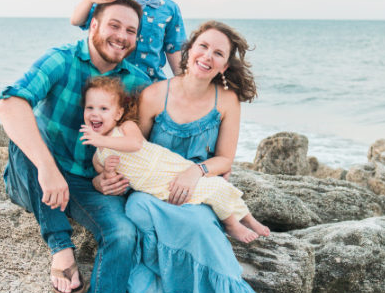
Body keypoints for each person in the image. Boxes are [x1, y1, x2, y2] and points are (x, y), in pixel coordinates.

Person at [0, 0, 149, 293]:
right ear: (94, 25)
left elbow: (143, 146)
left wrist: (113, 180)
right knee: (26, 135)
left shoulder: (135, 82)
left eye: (131, 30)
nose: (122, 36)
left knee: (122, 234)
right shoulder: (62, 59)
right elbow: (9, 102)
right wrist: (47, 168)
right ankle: (60, 247)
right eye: (114, 25)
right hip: (35, 175)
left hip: (86, 186)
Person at [119, 21, 275, 293]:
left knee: (201, 226)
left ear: (224, 66)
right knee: (137, 211)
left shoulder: (227, 100)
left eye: (218, 53)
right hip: (153, 189)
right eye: (203, 46)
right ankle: (165, 279)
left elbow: (225, 159)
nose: (207, 56)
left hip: (198, 188)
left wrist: (195, 172)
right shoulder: (154, 95)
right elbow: (134, 148)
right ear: (189, 51)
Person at [79, 76, 269, 243]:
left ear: (118, 114)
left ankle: (247, 220)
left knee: (217, 183)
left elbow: (135, 143)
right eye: (90, 108)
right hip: (156, 187)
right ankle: (232, 222)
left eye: (103, 108)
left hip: (169, 166)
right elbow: (108, 178)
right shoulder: (99, 156)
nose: (95, 113)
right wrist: (109, 171)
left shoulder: (126, 128)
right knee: (210, 190)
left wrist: (101, 140)